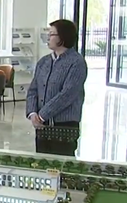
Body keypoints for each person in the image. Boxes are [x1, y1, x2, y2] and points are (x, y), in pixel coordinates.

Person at [26, 19, 88, 156]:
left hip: (64, 125)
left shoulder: (77, 62)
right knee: (42, 162)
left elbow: (67, 94)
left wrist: (42, 115)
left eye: (52, 34)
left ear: (63, 37)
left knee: (62, 164)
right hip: (42, 126)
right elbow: (33, 90)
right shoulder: (44, 62)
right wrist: (32, 113)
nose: (48, 38)